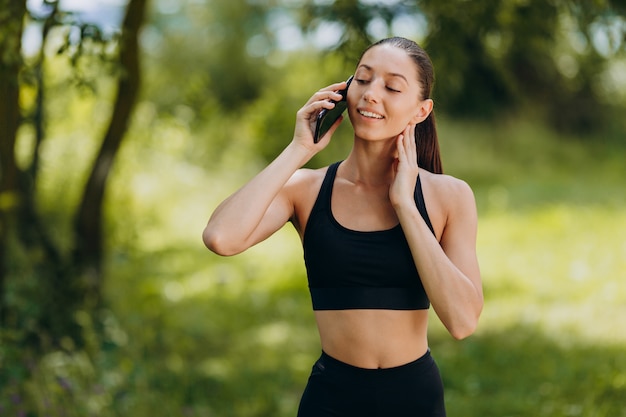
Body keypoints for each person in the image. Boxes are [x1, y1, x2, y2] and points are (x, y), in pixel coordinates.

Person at [203, 36, 483, 417]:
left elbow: (463, 321)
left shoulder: (449, 196)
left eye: (392, 86)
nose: (370, 94)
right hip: (332, 398)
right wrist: (299, 149)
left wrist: (405, 204)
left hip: (414, 398)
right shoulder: (306, 189)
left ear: (420, 110)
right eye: (363, 79)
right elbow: (221, 237)